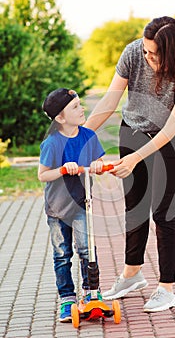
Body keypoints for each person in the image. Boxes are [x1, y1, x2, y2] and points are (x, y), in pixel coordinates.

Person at [84, 16, 175, 312]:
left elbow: (173, 126)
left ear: (173, 52)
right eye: (146, 51)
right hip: (132, 131)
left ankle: (166, 288)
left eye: (155, 54)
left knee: (165, 212)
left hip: (174, 141)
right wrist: (81, 137)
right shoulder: (133, 53)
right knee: (134, 208)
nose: (147, 57)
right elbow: (110, 101)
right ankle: (132, 274)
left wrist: (137, 157)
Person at [38, 88, 105, 322]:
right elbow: (42, 175)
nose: (82, 109)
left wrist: (98, 164)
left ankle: (92, 293)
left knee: (88, 249)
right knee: (62, 254)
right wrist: (63, 169)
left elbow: (97, 159)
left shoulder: (88, 136)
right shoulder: (52, 143)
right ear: (60, 118)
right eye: (75, 107)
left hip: (81, 204)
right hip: (57, 210)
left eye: (80, 104)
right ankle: (67, 297)